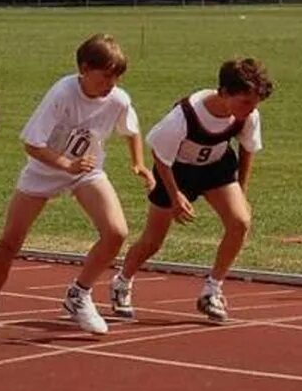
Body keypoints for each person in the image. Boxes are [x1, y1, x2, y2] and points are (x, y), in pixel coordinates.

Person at [0, 34, 153, 338]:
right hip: (45, 169)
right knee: (10, 242)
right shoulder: (62, 92)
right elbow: (32, 144)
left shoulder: (119, 100)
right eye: (106, 75)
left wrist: (138, 163)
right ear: (85, 68)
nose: (112, 83)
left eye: (118, 76)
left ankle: (79, 294)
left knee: (116, 233)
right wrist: (64, 165)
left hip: (86, 171)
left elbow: (131, 130)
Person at [109, 58, 273, 321]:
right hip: (176, 170)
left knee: (240, 221)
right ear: (224, 92)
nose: (251, 108)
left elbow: (248, 149)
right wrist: (175, 195)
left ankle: (212, 290)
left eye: (255, 103)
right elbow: (161, 156)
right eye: (245, 101)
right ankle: (122, 281)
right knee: (152, 242)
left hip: (216, 167)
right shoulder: (185, 115)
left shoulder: (248, 115)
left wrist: (241, 191)